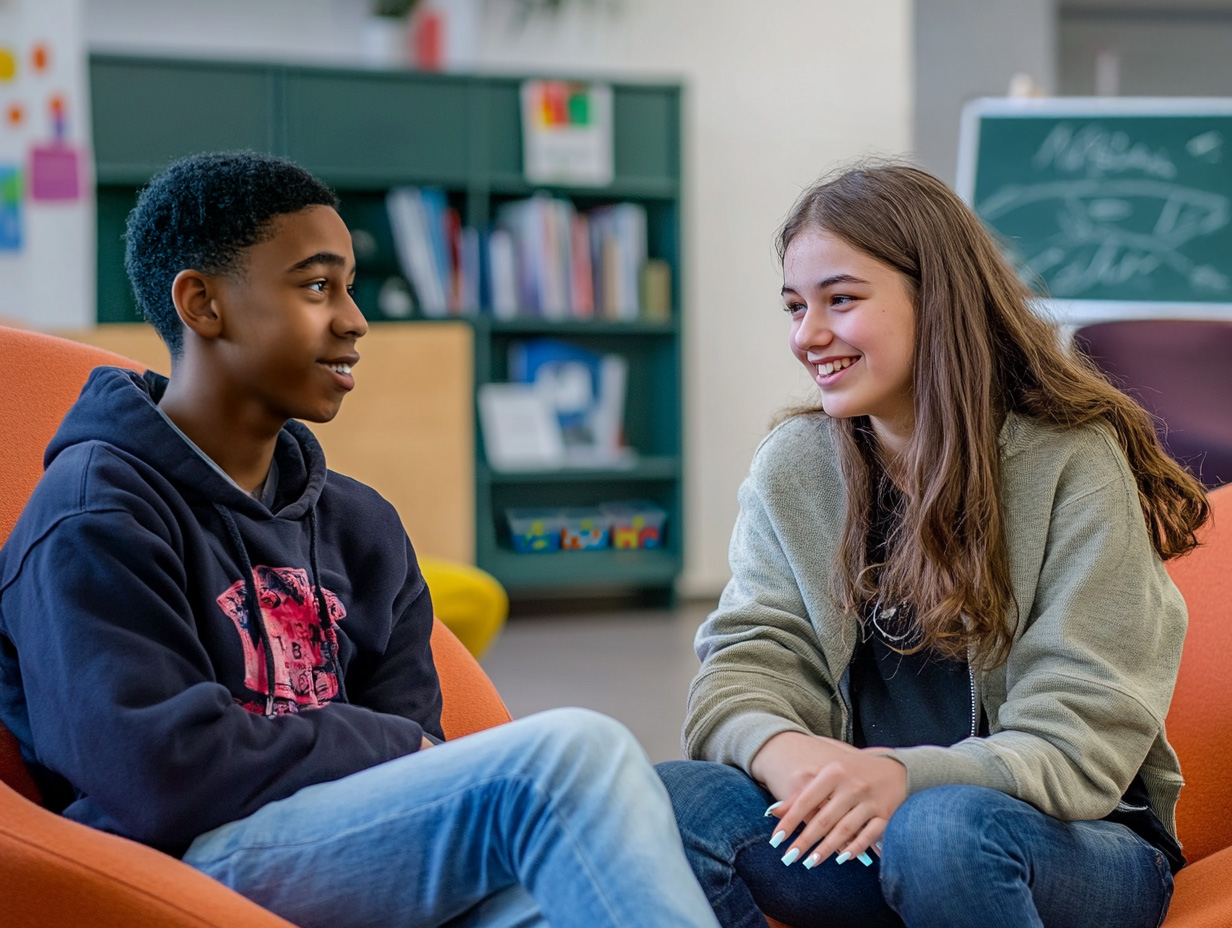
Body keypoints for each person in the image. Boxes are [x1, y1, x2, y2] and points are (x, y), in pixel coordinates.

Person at [0, 151, 719, 928]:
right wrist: (377, 743)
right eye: (316, 286)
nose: (354, 320)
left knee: (555, 898)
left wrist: (378, 747)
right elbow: (152, 773)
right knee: (569, 759)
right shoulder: (94, 512)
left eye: (349, 286)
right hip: (177, 863)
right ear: (203, 304)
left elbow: (419, 741)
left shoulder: (360, 523)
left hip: (351, 843)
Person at [656, 163, 1209, 928]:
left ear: (936, 297)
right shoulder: (796, 464)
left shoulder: (1071, 459)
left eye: (840, 300)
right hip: (869, 832)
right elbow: (748, 663)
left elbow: (1082, 734)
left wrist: (899, 778)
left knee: (942, 830)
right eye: (794, 307)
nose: (807, 336)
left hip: (1067, 840)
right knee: (675, 801)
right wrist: (788, 753)